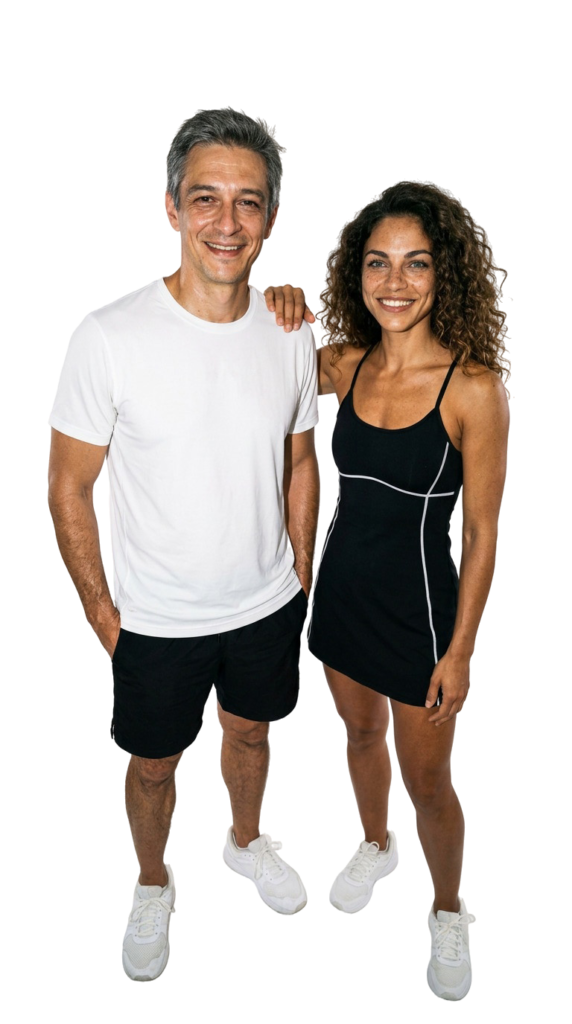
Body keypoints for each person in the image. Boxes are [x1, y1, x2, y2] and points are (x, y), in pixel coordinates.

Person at [46, 107, 321, 983]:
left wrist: (300, 575)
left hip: (266, 605)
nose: (227, 222)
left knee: (251, 736)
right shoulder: (107, 336)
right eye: (206, 198)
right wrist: (103, 613)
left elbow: (302, 460)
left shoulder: (291, 330)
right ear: (171, 207)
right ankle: (153, 881)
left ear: (271, 217)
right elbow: (67, 487)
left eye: (248, 202)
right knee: (155, 767)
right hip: (157, 619)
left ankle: (245, 841)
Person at [264, 181, 510, 1002]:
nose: (394, 282)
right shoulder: (344, 362)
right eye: (378, 263)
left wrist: (462, 651)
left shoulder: (473, 389)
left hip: (422, 619)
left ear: (446, 274)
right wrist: (281, 300)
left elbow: (480, 535)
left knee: (429, 782)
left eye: (416, 264)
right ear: (357, 274)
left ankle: (448, 910)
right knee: (360, 735)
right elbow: (261, 349)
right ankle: (376, 845)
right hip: (339, 599)